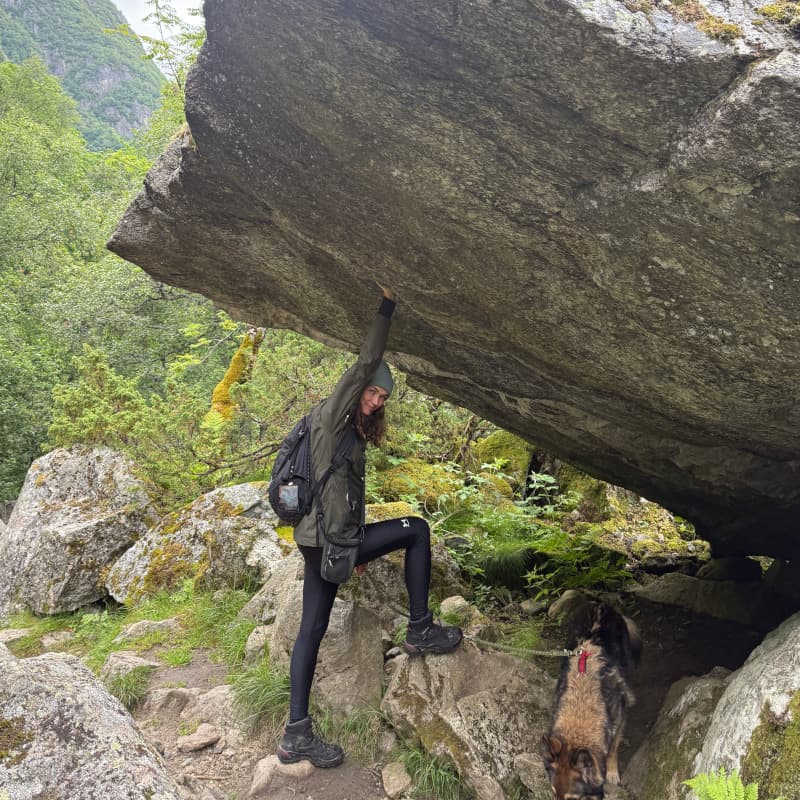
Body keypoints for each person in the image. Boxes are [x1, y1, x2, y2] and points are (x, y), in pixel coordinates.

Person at [276, 287, 463, 769]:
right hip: (331, 543)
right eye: (373, 390)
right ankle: (419, 629)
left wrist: (353, 548)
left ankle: (295, 734)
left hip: (323, 543)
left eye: (382, 396)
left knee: (311, 631)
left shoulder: (347, 430)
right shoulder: (334, 415)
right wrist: (387, 307)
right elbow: (364, 362)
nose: (375, 399)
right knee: (417, 529)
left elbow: (344, 494)